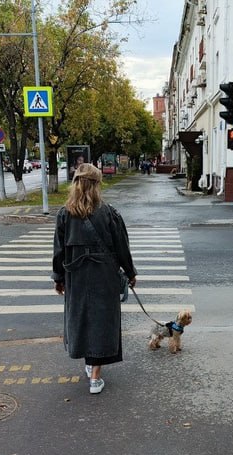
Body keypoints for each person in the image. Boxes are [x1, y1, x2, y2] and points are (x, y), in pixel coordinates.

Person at [52, 163, 137, 395]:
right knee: (101, 322)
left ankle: (90, 365)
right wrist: (130, 273)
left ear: (75, 184)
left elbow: (59, 252)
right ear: (97, 185)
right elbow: (122, 247)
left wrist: (58, 278)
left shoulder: (64, 214)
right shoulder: (108, 212)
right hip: (104, 276)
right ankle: (95, 376)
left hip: (76, 276)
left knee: (81, 319)